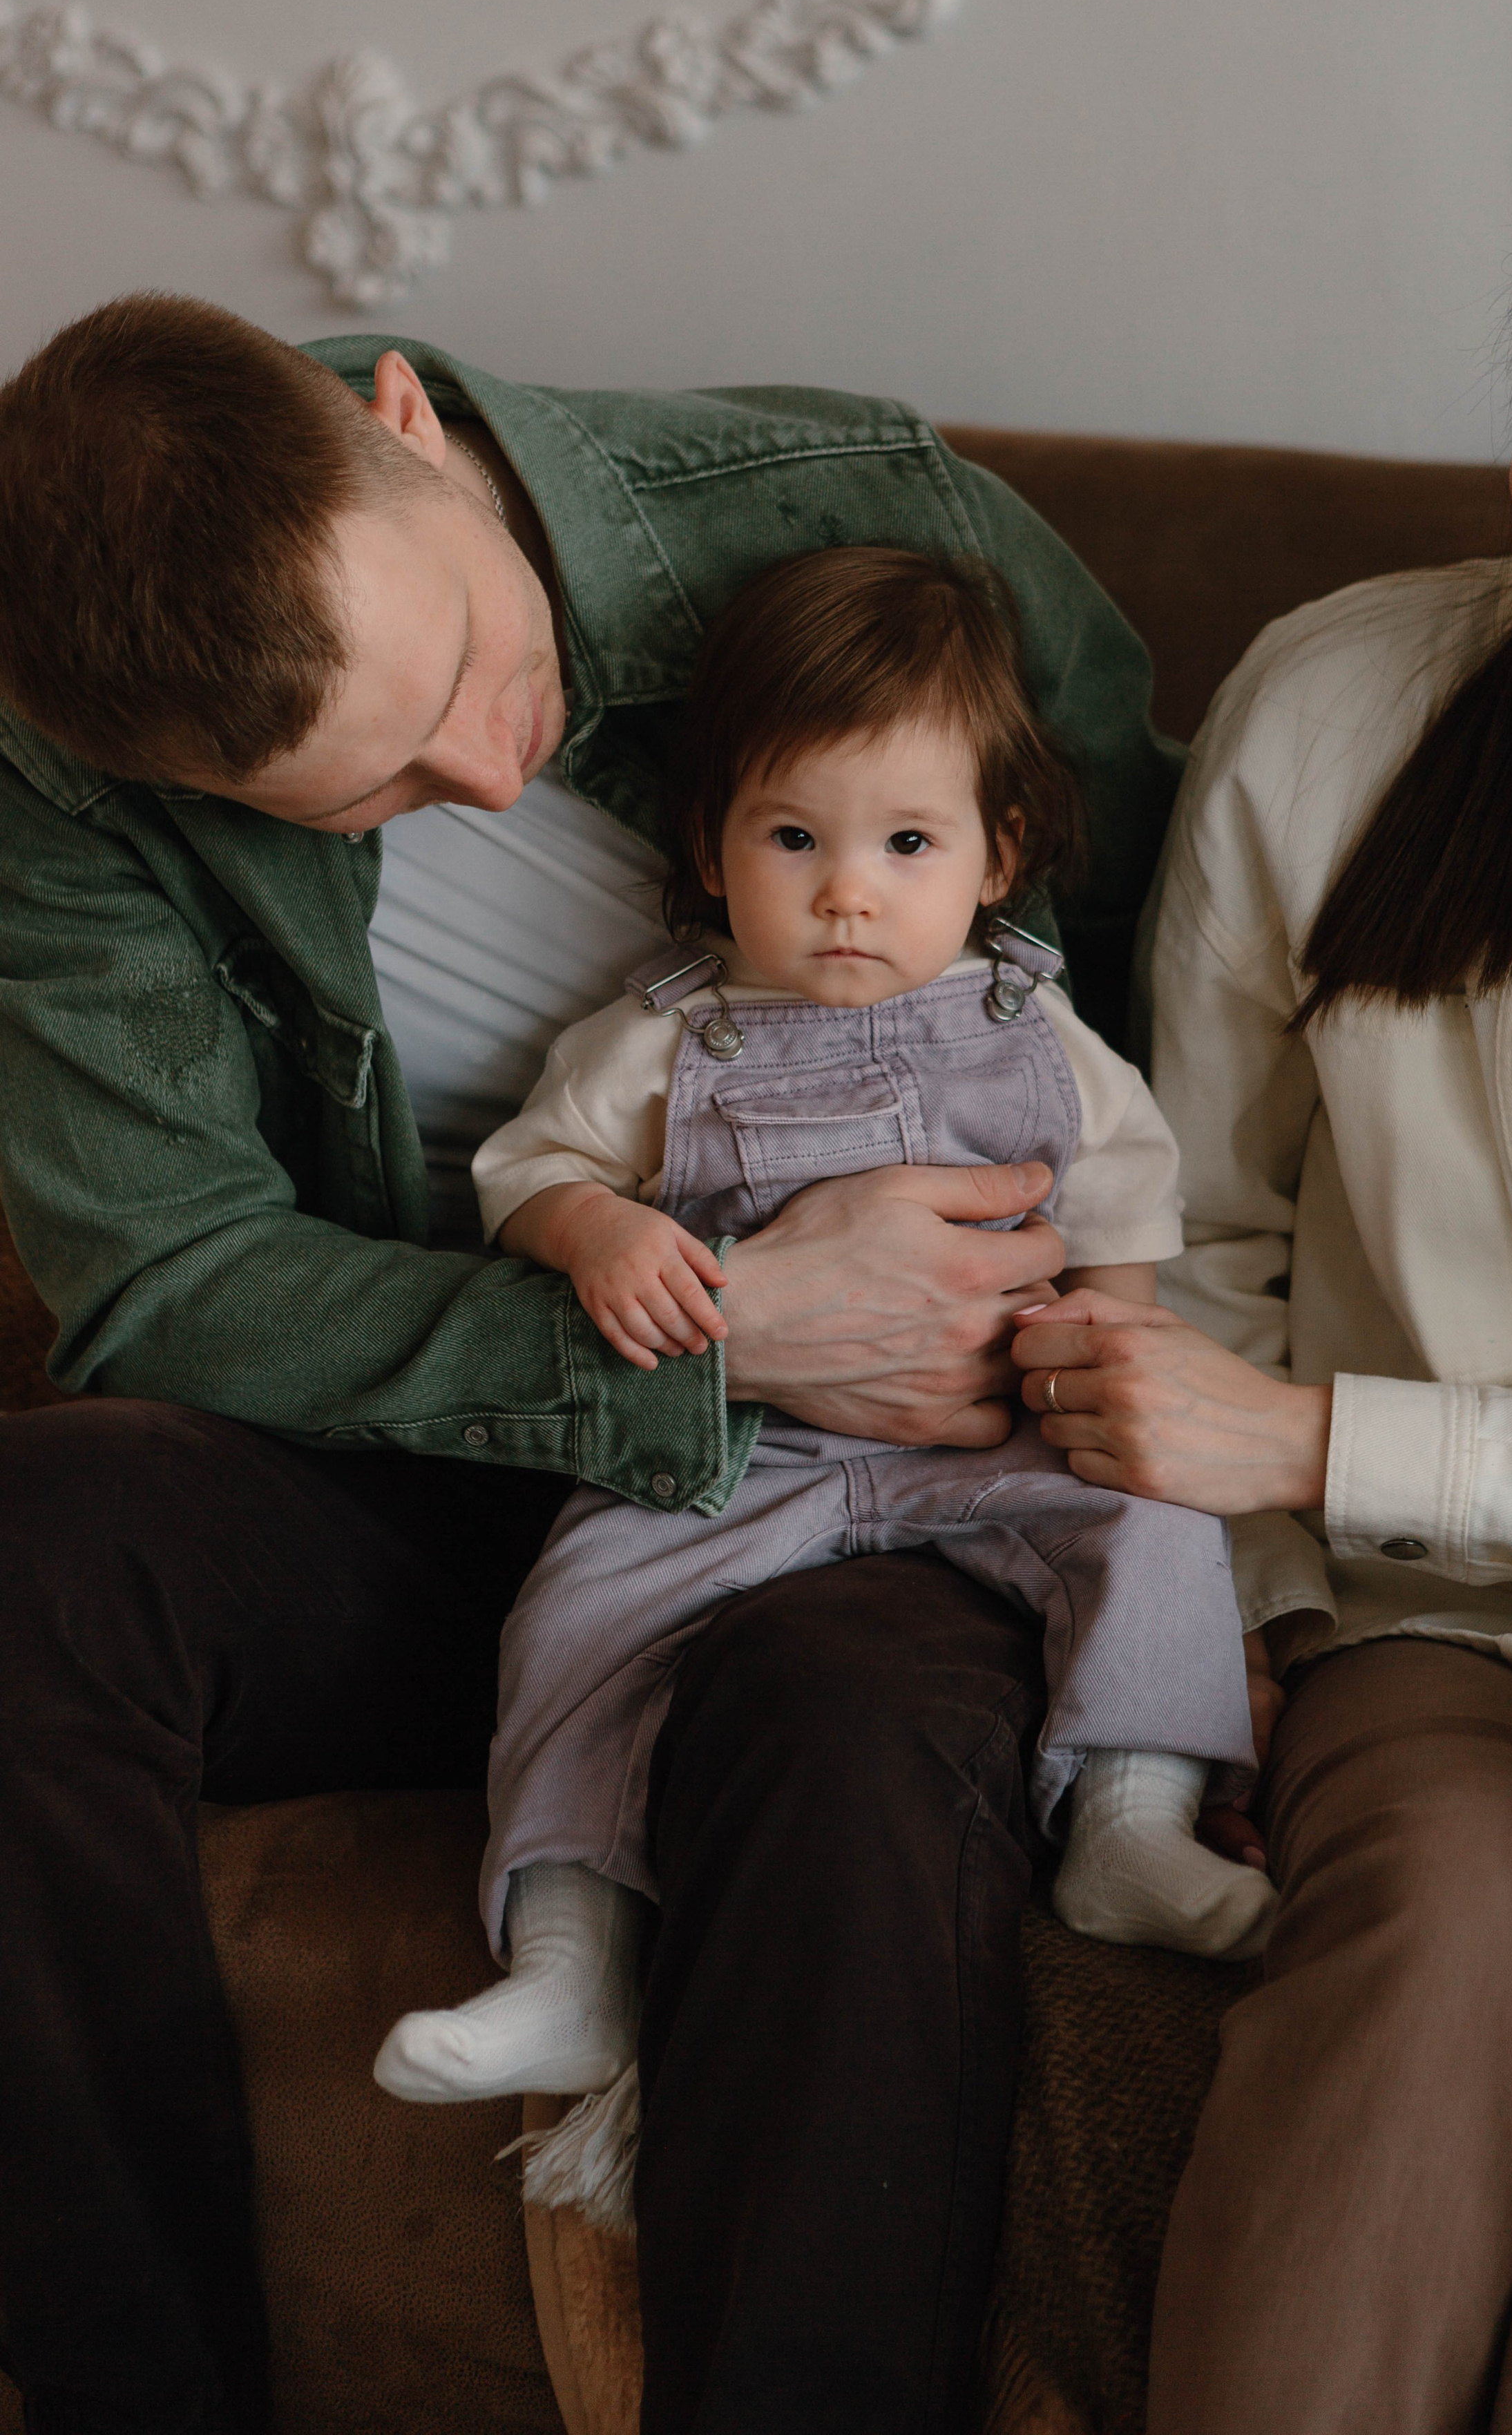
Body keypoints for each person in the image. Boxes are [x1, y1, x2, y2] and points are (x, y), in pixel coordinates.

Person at [0, 295, 1192, 2435]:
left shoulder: (859, 520)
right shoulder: (46, 754)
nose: (480, 773)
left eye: (461, 671)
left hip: (930, 1451)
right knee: (31, 1547)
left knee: (839, 1727)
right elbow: (170, 1273)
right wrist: (702, 1355)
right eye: (358, 799)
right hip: (461, 1433)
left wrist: (1065, 1354)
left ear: (405, 425)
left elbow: (1198, 972)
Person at [1009, 83, 1512, 2431]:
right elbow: (1199, 1231)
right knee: (1431, 1951)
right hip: (1444, 1627)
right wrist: (1229, 1609)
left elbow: (1278, 1383)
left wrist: (1341, 1431)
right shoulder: (1338, 706)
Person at [370, 547, 1268, 2174]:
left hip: (995, 1430)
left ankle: (1129, 1824)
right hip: (741, 1447)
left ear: (997, 852)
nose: (846, 893)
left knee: (1161, 1521)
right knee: (578, 1605)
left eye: (905, 844)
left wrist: (1112, 1334)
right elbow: (527, 1171)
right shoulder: (663, 1034)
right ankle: (572, 1958)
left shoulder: (1037, 1031)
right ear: (712, 846)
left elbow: (1131, 1189)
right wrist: (599, 1236)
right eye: (793, 838)